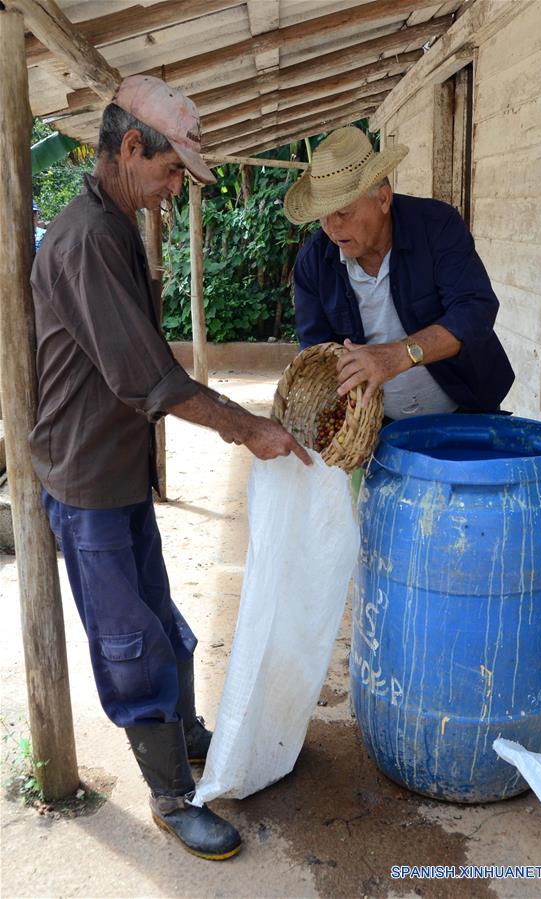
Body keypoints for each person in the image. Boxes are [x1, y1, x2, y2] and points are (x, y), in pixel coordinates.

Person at [29, 75, 311, 861]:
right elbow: (146, 377)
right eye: (169, 169)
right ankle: (169, 795)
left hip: (116, 473)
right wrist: (244, 426)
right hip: (85, 479)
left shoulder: (115, 224)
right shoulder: (87, 237)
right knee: (130, 642)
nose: (175, 186)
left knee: (162, 622)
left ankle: (185, 735)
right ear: (128, 148)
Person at [284, 127, 514, 418]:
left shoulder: (436, 226)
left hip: (465, 410)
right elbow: (318, 354)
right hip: (377, 424)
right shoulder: (313, 263)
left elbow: (474, 311)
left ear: (382, 199)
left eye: (343, 213)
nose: (331, 228)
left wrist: (399, 355)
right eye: (323, 215)